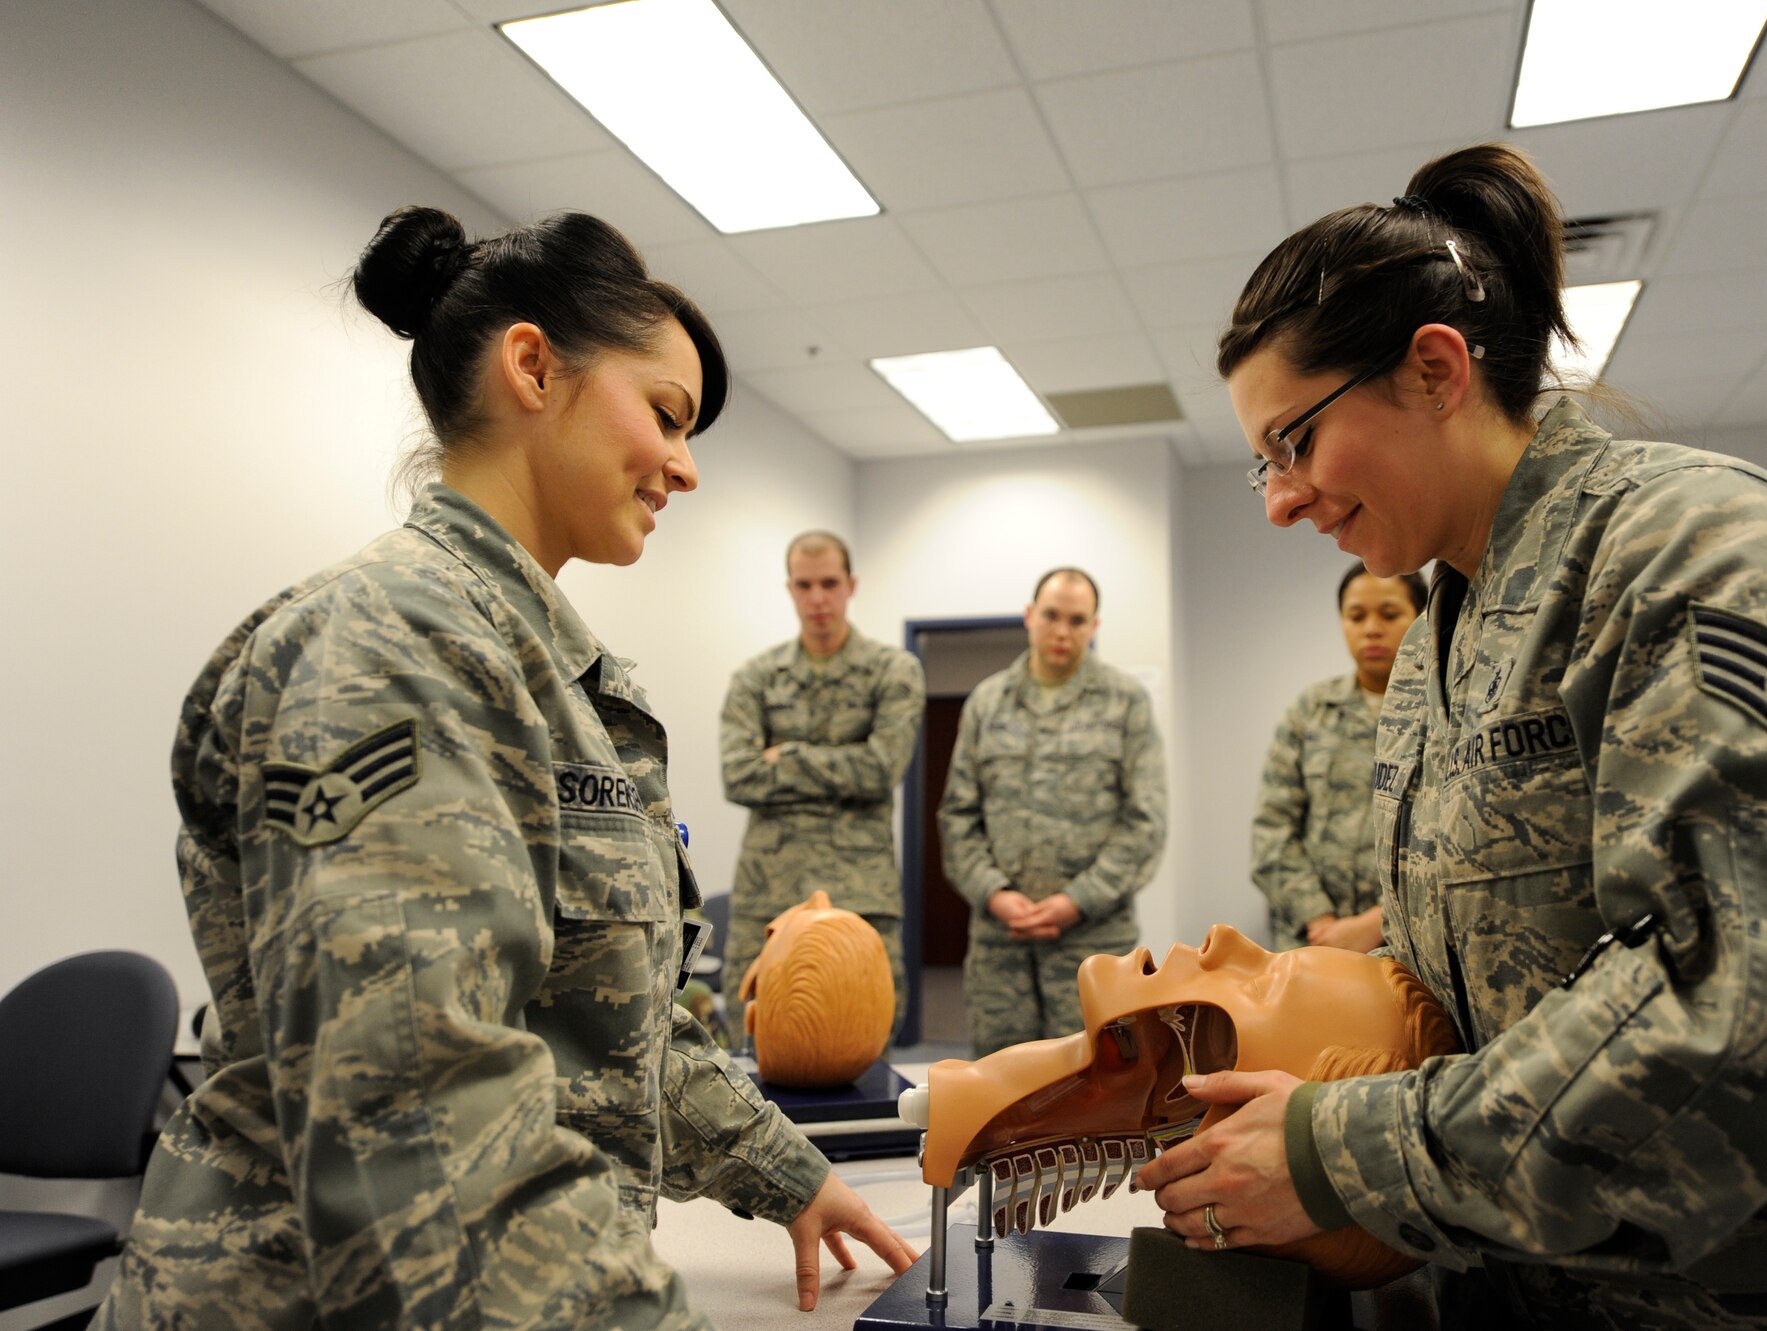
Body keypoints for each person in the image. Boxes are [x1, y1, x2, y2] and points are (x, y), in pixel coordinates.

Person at [1136, 144, 1767, 1328]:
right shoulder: (1444, 629)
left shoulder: (1698, 556)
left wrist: (1336, 1147)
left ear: (1433, 370)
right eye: (1258, 466)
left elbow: (1749, 1016)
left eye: (1292, 441)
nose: (1279, 497)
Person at [95, 207, 914, 1331]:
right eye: (667, 415)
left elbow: (613, 1032)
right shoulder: (387, 647)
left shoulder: (552, 677)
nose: (683, 465)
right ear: (533, 365)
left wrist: (788, 1173)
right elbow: (420, 1119)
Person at [938, 568, 1168, 1057]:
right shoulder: (987, 702)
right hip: (1002, 945)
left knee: (1104, 1082)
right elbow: (958, 816)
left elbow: (1144, 822)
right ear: (1029, 616)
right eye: (1051, 616)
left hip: (1094, 941)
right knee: (1002, 1089)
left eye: (1077, 620)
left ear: (1094, 626)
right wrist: (995, 893)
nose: (1062, 631)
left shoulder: (1125, 701)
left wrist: (1076, 900)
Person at [719, 531, 924, 1033]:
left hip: (859, 891)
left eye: (829, 583)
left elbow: (881, 770)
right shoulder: (757, 677)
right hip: (769, 889)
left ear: (850, 585)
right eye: (805, 584)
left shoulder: (892, 671)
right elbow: (739, 775)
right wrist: (841, 767)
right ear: (790, 588)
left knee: (869, 1031)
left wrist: (787, 755)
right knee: (753, 1031)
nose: (818, 598)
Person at [1251, 565, 1426, 952]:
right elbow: (1272, 828)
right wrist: (1320, 919)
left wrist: (1377, 922)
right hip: (1310, 942)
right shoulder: (1312, 710)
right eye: (1356, 616)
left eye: (1390, 614)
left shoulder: (1440, 708)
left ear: (1422, 618)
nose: (1371, 628)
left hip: (1408, 945)